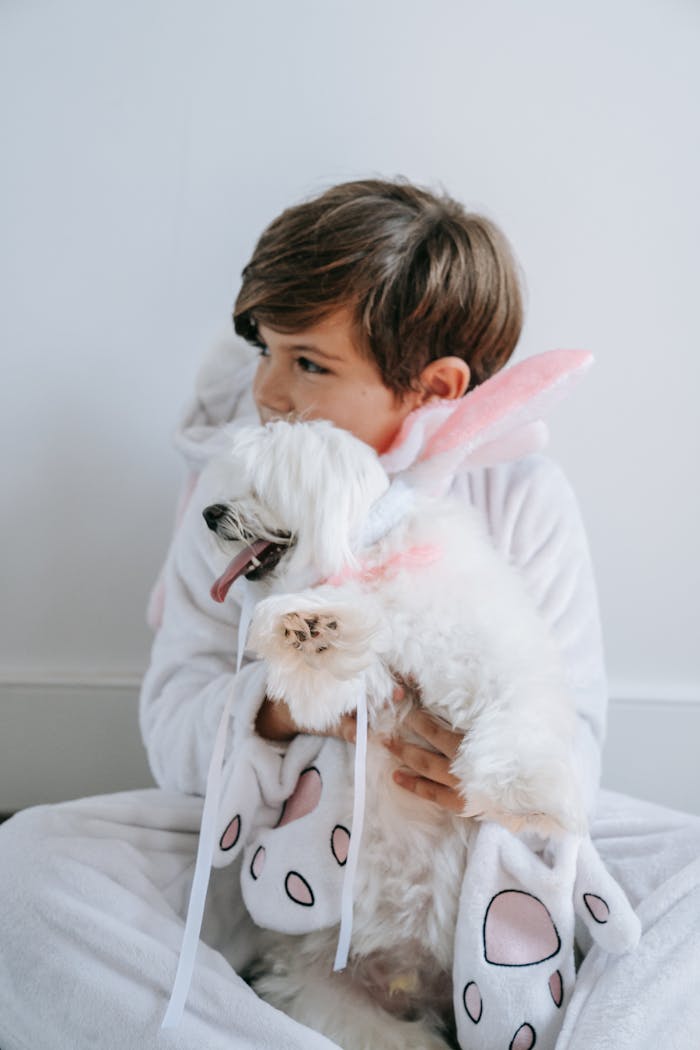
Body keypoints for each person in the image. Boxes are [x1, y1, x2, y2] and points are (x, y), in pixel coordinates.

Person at [0, 178, 698, 1050]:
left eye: (309, 364)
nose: (267, 391)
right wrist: (284, 707)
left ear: (434, 388)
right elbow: (173, 730)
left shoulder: (522, 495)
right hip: (275, 842)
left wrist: (495, 777)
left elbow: (576, 738)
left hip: (476, 856)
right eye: (265, 350)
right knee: (27, 869)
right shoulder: (239, 490)